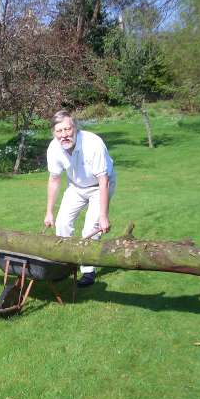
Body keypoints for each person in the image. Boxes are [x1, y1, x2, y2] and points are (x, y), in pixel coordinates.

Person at [44, 110, 116, 287]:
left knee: (90, 229)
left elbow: (103, 180)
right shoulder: (54, 148)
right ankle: (66, 265)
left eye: (67, 129)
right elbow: (54, 180)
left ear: (75, 128)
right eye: (59, 131)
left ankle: (88, 272)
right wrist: (49, 212)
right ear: (54, 133)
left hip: (99, 186)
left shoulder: (93, 143)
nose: (64, 135)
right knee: (61, 223)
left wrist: (103, 215)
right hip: (76, 187)